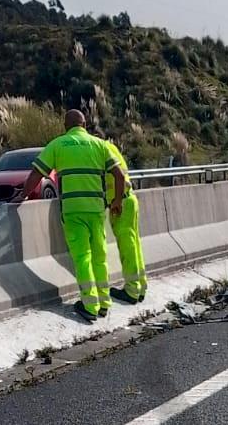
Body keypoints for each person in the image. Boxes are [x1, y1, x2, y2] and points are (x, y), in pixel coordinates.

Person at [14, 110, 126, 323]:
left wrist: (22, 196)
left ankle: (89, 305)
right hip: (96, 208)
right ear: (84, 124)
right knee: (99, 256)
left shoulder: (58, 145)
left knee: (82, 257)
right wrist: (118, 201)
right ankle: (104, 303)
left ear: (66, 125)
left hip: (73, 210)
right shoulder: (99, 145)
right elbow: (119, 175)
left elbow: (36, 174)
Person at [98, 132, 147, 305]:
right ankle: (140, 286)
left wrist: (115, 201)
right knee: (134, 245)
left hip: (121, 203)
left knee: (127, 246)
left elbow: (116, 176)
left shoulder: (102, 150)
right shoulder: (112, 148)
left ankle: (132, 290)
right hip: (129, 199)